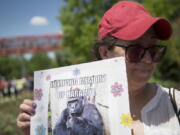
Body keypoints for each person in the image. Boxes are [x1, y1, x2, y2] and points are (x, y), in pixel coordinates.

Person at [17, 1, 180, 135]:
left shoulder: (174, 103)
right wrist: (35, 129)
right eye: (135, 49)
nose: (147, 59)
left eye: (153, 50)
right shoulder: (82, 105)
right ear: (105, 52)